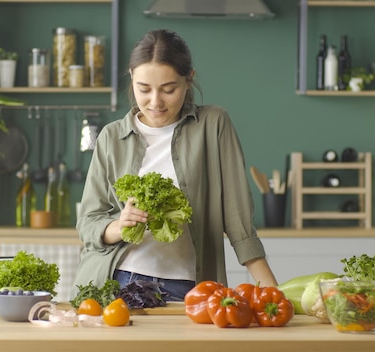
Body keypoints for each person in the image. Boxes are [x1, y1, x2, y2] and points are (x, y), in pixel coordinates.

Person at [73, 29, 278, 301]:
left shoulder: (213, 125)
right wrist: (120, 226)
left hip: (189, 287)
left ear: (189, 79)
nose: (155, 101)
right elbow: (88, 223)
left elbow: (238, 221)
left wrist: (275, 295)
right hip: (117, 280)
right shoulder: (111, 136)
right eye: (143, 89)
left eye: (169, 89)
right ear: (131, 76)